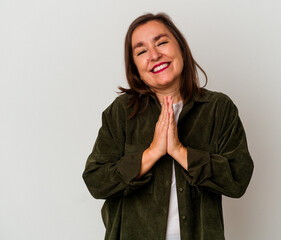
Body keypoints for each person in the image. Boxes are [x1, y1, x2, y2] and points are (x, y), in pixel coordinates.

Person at [83, 13, 254, 240]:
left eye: (162, 42)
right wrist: (152, 153)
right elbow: (96, 181)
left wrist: (180, 151)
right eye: (141, 51)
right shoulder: (121, 111)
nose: (154, 55)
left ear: (181, 49)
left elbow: (238, 179)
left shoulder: (218, 108)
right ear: (136, 69)